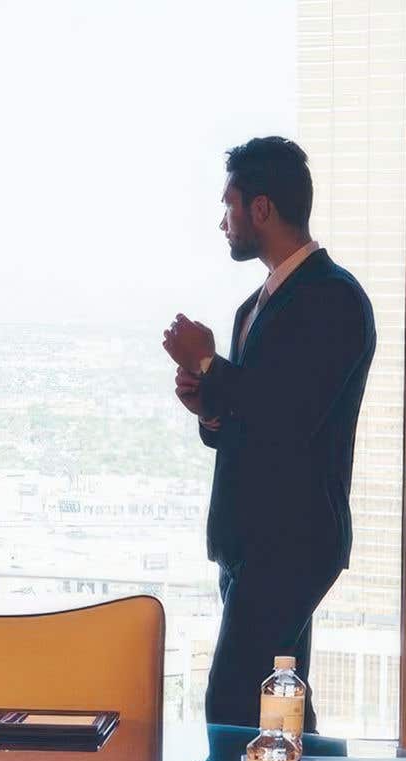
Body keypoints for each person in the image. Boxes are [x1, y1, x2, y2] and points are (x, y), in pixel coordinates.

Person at [162, 136, 375, 730]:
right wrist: (208, 406)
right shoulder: (251, 308)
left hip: (296, 539)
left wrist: (210, 365)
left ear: (261, 209)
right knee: (280, 703)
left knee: (231, 699)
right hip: (247, 540)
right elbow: (245, 426)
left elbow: (291, 416)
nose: (221, 222)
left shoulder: (336, 299)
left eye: (228, 206)